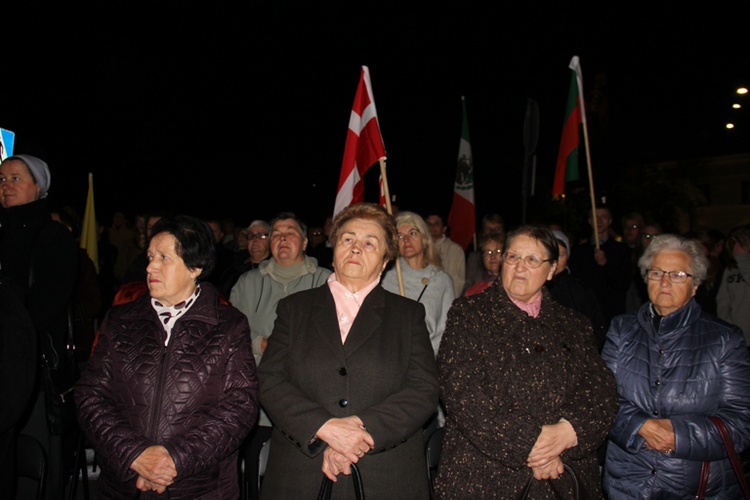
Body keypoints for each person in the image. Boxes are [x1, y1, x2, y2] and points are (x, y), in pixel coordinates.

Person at [257, 203, 439, 498]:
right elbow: (270, 380)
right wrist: (324, 427)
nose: (356, 248)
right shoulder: (294, 309)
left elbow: (424, 390)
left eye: (370, 243)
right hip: (302, 473)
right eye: (348, 239)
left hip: (384, 475)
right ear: (334, 248)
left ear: (384, 260)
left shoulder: (407, 315)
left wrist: (360, 431)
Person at [75, 215, 259, 498]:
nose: (150, 266)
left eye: (164, 257)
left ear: (195, 266)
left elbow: (240, 407)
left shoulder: (228, 326)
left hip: (199, 488)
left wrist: (173, 460)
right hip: (123, 486)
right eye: (150, 256)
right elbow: (90, 395)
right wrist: (135, 455)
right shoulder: (120, 320)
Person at [434, 225, 618, 498]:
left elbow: (601, 393)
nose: (520, 267)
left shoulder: (574, 324)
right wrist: (534, 446)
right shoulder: (469, 315)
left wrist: (568, 433)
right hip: (485, 475)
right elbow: (462, 393)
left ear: (552, 269)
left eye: (532, 260)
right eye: (513, 257)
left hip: (564, 475)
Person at [602, 234, 750, 498]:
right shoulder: (622, 330)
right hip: (628, 484)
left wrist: (677, 436)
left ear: (695, 285)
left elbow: (740, 424)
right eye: (657, 272)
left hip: (698, 488)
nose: (665, 281)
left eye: (678, 274)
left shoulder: (725, 339)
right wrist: (641, 426)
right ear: (646, 278)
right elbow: (601, 400)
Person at [0, 154, 78, 500]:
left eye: (16, 178)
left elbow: (48, 304)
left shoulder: (53, 236)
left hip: (31, 367)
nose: (6, 186)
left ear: (38, 186)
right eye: (1, 179)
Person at [230, 212, 331, 430]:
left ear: (304, 243)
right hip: (258, 400)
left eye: (290, 233)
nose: (282, 238)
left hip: (311, 400)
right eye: (276, 234)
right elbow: (231, 332)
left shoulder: (326, 281)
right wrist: (260, 344)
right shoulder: (248, 283)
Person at [381, 211, 455, 356]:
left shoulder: (442, 281)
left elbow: (446, 329)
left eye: (413, 233)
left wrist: (427, 358)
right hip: (389, 357)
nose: (406, 240)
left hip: (426, 360)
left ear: (425, 238)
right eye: (400, 236)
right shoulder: (385, 278)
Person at [568, 205, 631, 327]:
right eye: (595, 217)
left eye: (604, 217)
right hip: (586, 314)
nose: (599, 221)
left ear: (610, 221)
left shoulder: (621, 250)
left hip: (611, 313)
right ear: (590, 221)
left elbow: (623, 283)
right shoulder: (579, 251)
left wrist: (606, 264)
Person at [546, 229, 607, 348]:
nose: (555, 261)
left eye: (560, 255)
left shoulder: (580, 290)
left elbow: (596, 325)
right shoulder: (534, 287)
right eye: (551, 254)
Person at [716, 224, 750, 347]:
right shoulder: (730, 269)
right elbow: (723, 300)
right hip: (737, 335)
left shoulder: (744, 264)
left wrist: (742, 258)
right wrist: (726, 324)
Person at [426, 212, 466, 298]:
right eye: (429, 224)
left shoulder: (455, 250)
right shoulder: (419, 248)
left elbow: (458, 282)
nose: (432, 227)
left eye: (436, 224)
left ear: (444, 228)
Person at [465, 213, 505, 291]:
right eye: (489, 229)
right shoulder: (474, 258)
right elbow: (468, 285)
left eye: (496, 229)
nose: (493, 232)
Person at [463, 231, 503, 297]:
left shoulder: (513, 287)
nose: (493, 256)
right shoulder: (473, 292)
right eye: (488, 252)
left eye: (498, 251)